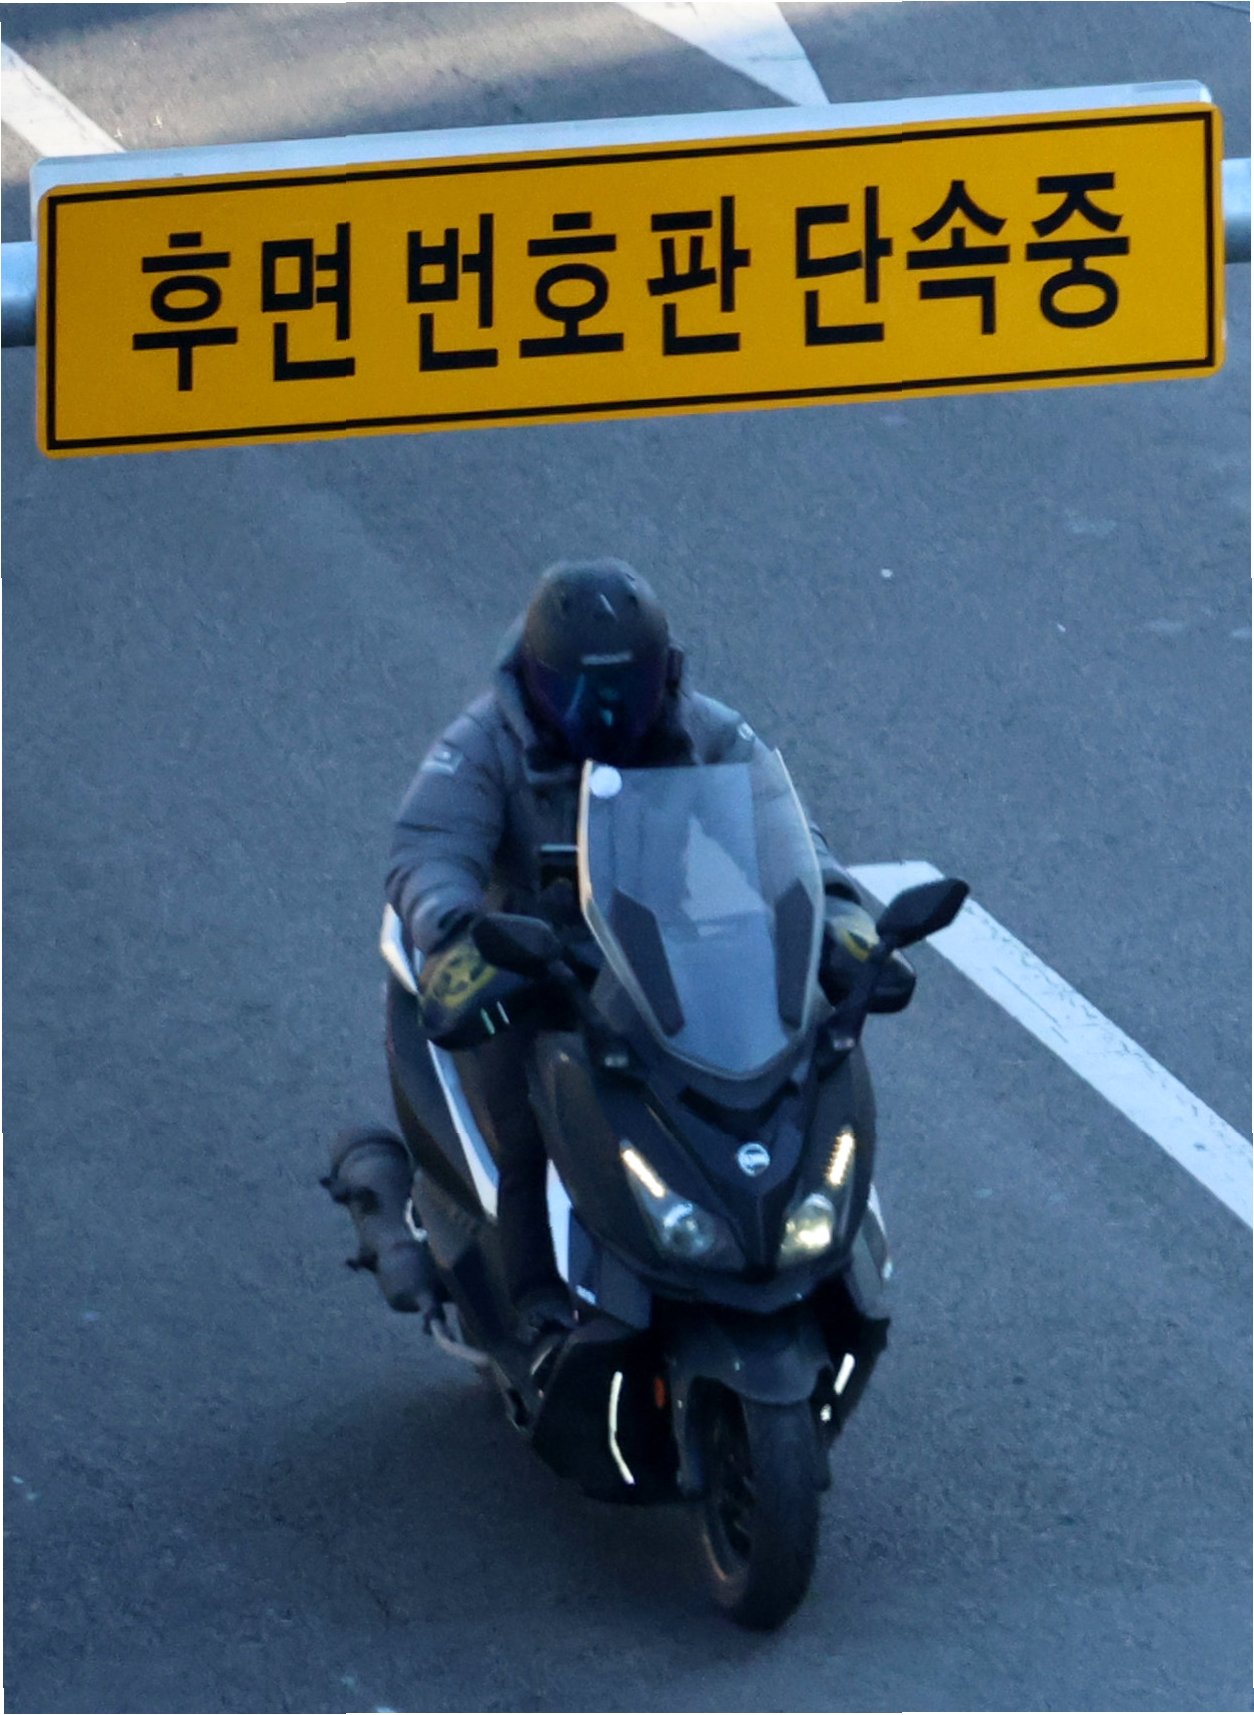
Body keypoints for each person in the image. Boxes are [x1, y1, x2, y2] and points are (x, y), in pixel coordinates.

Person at [333, 558, 892, 1351]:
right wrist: (457, 928)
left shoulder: (707, 729)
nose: (603, 715)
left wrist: (833, 905)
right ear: (536, 680)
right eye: (579, 695)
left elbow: (782, 828)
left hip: (663, 954)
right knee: (525, 1117)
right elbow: (429, 847)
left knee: (774, 1074)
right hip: (529, 963)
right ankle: (532, 1300)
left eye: (626, 691)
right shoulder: (483, 744)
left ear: (663, 674)